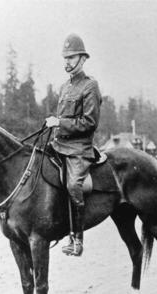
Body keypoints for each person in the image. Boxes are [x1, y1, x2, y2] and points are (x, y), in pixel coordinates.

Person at [45, 33, 102, 257]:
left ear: (83, 59)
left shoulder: (91, 86)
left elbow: (89, 123)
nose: (67, 62)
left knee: (73, 186)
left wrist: (60, 122)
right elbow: (62, 121)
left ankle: (77, 239)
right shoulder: (64, 87)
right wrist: (54, 126)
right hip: (59, 144)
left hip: (80, 149)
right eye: (65, 58)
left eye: (72, 57)